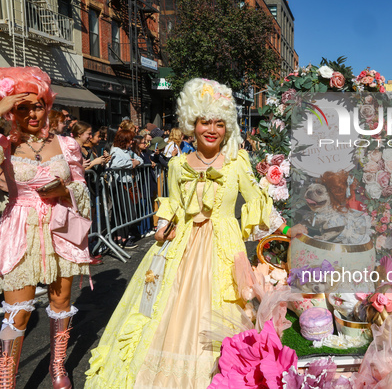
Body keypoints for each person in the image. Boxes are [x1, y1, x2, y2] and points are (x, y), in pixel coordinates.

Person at [85, 78, 306, 388]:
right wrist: (162, 228)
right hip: (182, 248)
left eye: (218, 123)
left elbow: (257, 201)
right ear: (193, 123)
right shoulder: (176, 165)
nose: (211, 129)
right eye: (205, 122)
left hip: (225, 248)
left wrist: (285, 228)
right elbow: (171, 204)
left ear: (226, 126)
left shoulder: (237, 163)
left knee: (228, 308)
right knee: (163, 312)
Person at [0, 67, 92, 388]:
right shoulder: (4, 146)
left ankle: (57, 368)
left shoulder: (67, 145)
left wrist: (64, 191)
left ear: (48, 104)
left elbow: (82, 186)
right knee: (18, 312)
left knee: (61, 302)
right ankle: (6, 380)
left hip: (62, 225)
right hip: (19, 229)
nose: (31, 113)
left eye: (37, 104)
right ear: (12, 111)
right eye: (21, 107)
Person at [108, 129, 143, 249]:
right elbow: (115, 164)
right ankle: (122, 238)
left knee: (126, 213)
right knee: (125, 214)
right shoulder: (116, 151)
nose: (132, 141)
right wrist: (131, 163)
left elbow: (140, 160)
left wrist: (137, 162)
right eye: (130, 139)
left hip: (128, 185)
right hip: (119, 185)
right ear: (124, 140)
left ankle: (122, 238)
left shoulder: (128, 151)